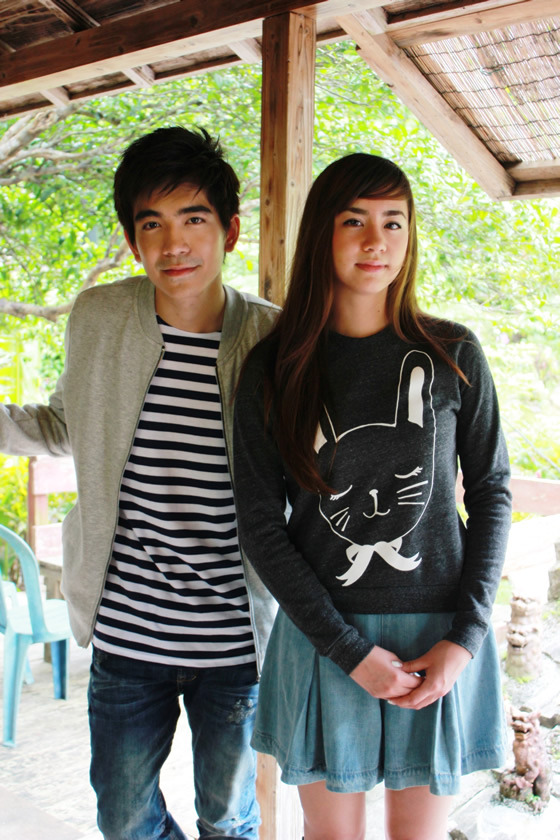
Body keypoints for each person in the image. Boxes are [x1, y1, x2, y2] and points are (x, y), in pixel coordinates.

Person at [0, 126, 279, 840]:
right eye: (151, 224)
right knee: (122, 819)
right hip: (128, 628)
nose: (173, 244)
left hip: (235, 639)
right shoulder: (99, 316)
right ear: (132, 240)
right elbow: (64, 423)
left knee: (227, 817)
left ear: (230, 231)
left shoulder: (272, 338)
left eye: (193, 219)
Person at [233, 152, 512, 840]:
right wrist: (346, 649)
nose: (375, 241)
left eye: (394, 222)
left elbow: (492, 492)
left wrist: (466, 638)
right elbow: (260, 524)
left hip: (439, 636)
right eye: (354, 221)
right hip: (324, 637)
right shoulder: (276, 367)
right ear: (322, 234)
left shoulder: (453, 353)